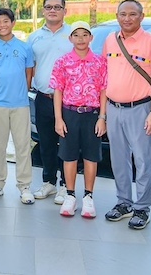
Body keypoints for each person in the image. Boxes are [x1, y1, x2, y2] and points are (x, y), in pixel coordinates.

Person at [101, 0, 151, 230]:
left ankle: (142, 208)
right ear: (117, 16)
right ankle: (124, 203)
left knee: (142, 160)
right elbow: (105, 77)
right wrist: (103, 114)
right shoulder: (110, 40)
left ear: (141, 16)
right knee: (118, 159)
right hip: (114, 108)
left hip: (140, 109)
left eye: (132, 14)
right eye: (123, 14)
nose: (127, 18)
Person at [50, 21, 108, 218]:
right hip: (70, 114)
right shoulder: (63, 62)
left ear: (91, 37)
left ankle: (88, 197)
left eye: (85, 35)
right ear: (70, 38)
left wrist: (102, 117)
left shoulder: (100, 62)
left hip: (92, 114)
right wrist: (59, 118)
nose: (81, 39)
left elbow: (104, 90)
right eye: (76, 35)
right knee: (69, 155)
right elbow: (58, 90)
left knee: (91, 156)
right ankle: (70, 195)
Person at [0, 8, 35, 205]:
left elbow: (28, 75)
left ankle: (24, 186)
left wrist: (19, 92)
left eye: (6, 21)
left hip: (21, 104)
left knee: (23, 146)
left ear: (13, 23)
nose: (2, 25)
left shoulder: (25, 48)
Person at [28, 0, 73, 204]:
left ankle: (65, 185)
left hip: (68, 100)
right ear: (43, 10)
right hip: (43, 97)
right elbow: (30, 65)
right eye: (48, 7)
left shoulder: (73, 35)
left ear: (65, 10)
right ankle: (49, 182)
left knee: (67, 143)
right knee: (46, 142)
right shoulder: (35, 37)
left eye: (57, 7)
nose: (52, 10)